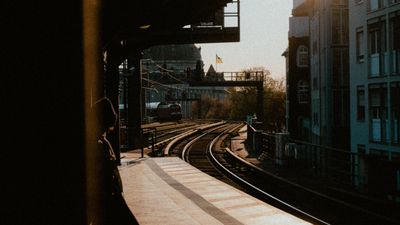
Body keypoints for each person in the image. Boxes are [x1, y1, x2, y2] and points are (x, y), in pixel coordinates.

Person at [92, 97, 139, 225]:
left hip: (111, 197)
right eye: (106, 127)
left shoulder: (103, 142)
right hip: (106, 199)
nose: (106, 131)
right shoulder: (96, 145)